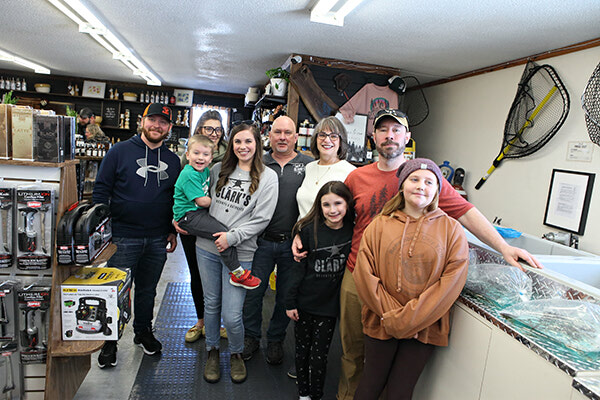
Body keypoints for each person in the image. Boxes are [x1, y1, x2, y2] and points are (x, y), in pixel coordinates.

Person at [292, 109, 542, 399]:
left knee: (391, 368)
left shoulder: (423, 176)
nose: (389, 136)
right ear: (373, 137)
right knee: (353, 351)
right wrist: (301, 232)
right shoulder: (356, 177)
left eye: (396, 130)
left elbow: (466, 213)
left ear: (407, 137)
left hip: (408, 285)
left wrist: (504, 247)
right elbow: (332, 215)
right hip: (357, 274)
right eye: (383, 130)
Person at [352, 158, 469, 400]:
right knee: (369, 386)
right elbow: (365, 273)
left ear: (437, 189)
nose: (421, 186)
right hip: (381, 320)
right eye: (414, 179)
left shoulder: (452, 230)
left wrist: (409, 319)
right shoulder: (379, 225)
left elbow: (450, 282)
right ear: (402, 185)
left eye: (429, 182)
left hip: (424, 327)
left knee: (400, 393)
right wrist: (392, 317)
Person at [92, 103, 180, 368]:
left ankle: (143, 332)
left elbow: (175, 199)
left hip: (156, 238)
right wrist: (102, 232)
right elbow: (100, 191)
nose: (157, 126)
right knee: (116, 291)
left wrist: (171, 231)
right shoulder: (119, 152)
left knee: (147, 290)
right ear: (142, 122)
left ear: (169, 128)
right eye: (152, 120)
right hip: (122, 236)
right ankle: (110, 341)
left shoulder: (174, 160)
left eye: (163, 122)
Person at [193, 122, 278, 384]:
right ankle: (212, 351)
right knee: (211, 305)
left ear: (257, 144)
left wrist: (232, 237)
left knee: (231, 314)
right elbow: (196, 198)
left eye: (248, 142)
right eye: (238, 142)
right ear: (231, 145)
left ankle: (237, 353)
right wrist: (180, 217)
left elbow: (262, 219)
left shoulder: (268, 177)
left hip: (241, 254)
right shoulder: (217, 169)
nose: (243, 147)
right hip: (206, 248)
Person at [241, 115, 313, 365]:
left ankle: (275, 339)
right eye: (277, 132)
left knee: (285, 296)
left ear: (296, 137)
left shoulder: (309, 165)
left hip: (292, 244)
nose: (282, 137)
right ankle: (250, 336)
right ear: (268, 136)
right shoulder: (256, 162)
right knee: (253, 292)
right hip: (258, 242)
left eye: (287, 133)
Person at [286, 181, 354, 400]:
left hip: (329, 307)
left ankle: (315, 395)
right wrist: (290, 302)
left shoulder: (353, 231)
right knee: (302, 352)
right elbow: (297, 270)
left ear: (347, 204)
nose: (332, 210)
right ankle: (303, 394)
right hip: (305, 303)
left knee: (319, 356)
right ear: (319, 205)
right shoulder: (308, 230)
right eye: (326, 205)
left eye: (338, 203)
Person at [173, 134, 261, 289]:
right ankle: (237, 272)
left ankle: (236, 270)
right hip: (189, 216)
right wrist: (220, 200)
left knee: (222, 232)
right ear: (187, 155)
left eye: (205, 154)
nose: (200, 158)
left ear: (211, 157)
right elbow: (203, 201)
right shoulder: (189, 174)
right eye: (196, 153)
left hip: (196, 213)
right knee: (221, 233)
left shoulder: (205, 171)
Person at [180, 110, 229, 343]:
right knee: (197, 273)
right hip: (192, 222)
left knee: (220, 274)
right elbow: (178, 193)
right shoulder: (187, 159)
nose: (214, 134)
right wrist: (174, 219)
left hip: (220, 221)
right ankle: (201, 321)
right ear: (199, 130)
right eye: (209, 129)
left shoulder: (230, 156)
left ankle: (216, 323)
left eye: (218, 129)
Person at [296, 116, 356, 218]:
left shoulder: (350, 172)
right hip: (302, 232)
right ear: (315, 139)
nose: (327, 140)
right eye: (322, 135)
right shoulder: (309, 167)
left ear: (341, 141)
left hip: (330, 233)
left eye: (333, 136)